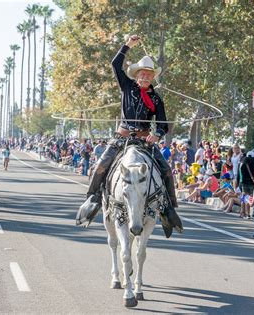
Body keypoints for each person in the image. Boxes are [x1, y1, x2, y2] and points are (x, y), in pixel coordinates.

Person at [76, 34, 183, 235]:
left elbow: (163, 123)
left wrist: (157, 135)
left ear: (153, 77)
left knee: (166, 170)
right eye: (142, 74)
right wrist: (127, 45)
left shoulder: (157, 99)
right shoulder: (126, 86)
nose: (145, 77)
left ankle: (169, 209)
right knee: (101, 165)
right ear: (136, 75)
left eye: (149, 75)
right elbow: (115, 65)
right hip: (122, 137)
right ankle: (92, 199)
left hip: (143, 140)